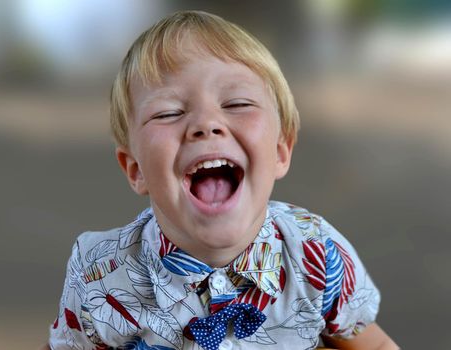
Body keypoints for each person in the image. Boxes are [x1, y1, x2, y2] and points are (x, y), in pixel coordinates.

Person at [47, 10, 398, 350]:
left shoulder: (316, 254)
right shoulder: (100, 275)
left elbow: (375, 344)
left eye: (237, 104)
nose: (206, 123)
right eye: (169, 112)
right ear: (135, 169)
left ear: (280, 151)